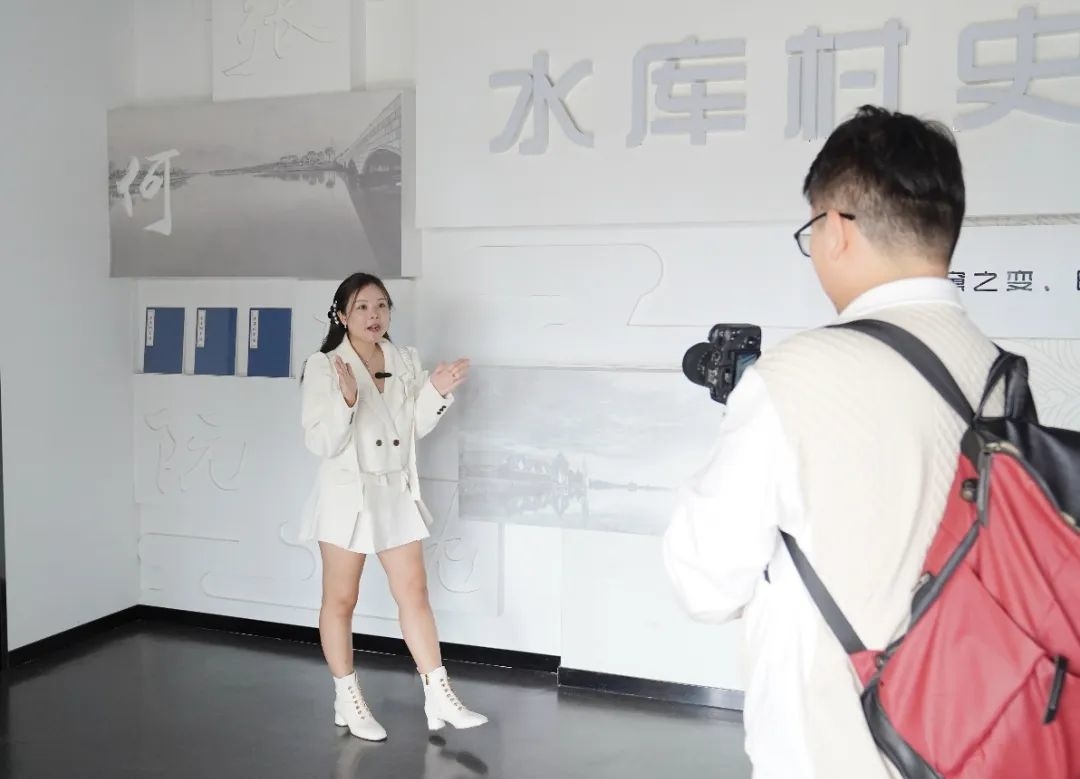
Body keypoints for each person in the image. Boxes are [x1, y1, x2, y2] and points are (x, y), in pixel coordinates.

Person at [662, 106, 1001, 778]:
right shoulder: (995, 371)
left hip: (834, 744)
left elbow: (704, 582)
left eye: (812, 228)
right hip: (969, 735)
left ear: (838, 229)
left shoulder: (797, 375)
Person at [299, 271, 487, 741]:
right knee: (341, 599)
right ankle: (347, 697)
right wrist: (347, 401)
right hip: (348, 498)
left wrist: (436, 389)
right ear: (342, 316)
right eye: (362, 307)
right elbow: (321, 442)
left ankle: (438, 694)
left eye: (381, 305)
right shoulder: (324, 365)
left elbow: (412, 428)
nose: (374, 315)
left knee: (414, 594)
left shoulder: (403, 359)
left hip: (395, 493)